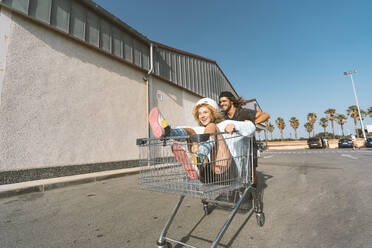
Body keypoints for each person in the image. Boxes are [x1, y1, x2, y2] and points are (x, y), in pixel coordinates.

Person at [148, 98, 255, 183]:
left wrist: (235, 127)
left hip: (227, 172)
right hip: (206, 175)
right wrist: (170, 133)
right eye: (199, 114)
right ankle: (167, 131)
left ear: (213, 112)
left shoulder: (226, 123)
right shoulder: (200, 129)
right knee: (190, 132)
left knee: (211, 127)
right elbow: (185, 130)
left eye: (205, 112)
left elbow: (251, 127)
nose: (202, 116)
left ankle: (199, 156)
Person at [218, 91, 270, 187]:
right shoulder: (223, 117)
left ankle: (254, 195)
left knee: (251, 175)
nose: (222, 104)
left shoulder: (243, 112)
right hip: (234, 148)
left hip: (249, 147)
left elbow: (266, 115)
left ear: (231, 101)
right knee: (236, 173)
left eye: (224, 101)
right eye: (220, 102)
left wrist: (251, 123)